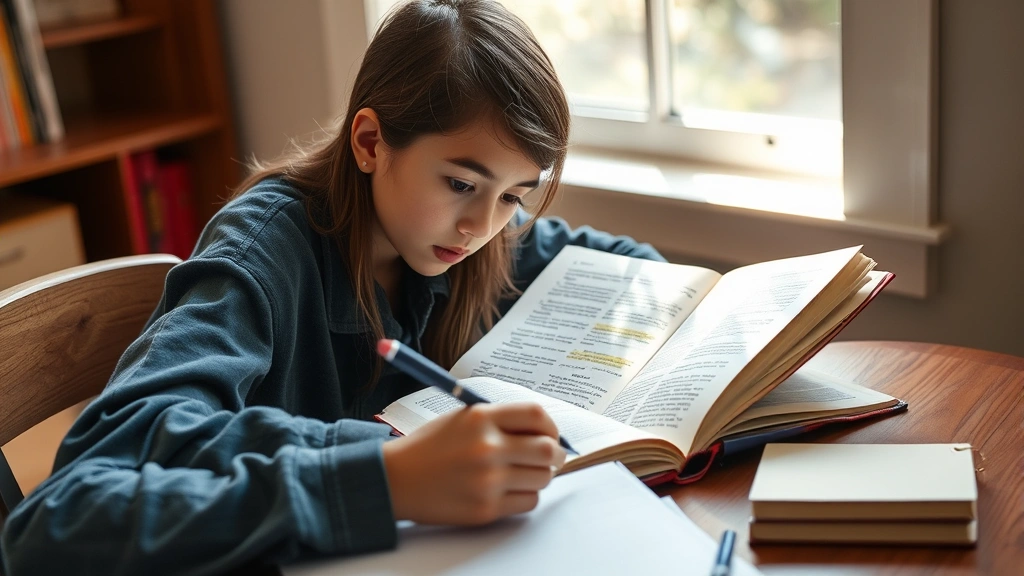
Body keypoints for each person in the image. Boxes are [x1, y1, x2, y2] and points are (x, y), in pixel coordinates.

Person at [0, 1, 664, 574]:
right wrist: (386, 479)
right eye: (461, 184)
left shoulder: (473, 233)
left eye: (514, 196)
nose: (482, 226)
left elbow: (630, 265)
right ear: (370, 143)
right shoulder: (260, 254)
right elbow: (63, 519)